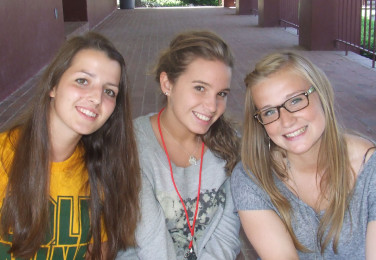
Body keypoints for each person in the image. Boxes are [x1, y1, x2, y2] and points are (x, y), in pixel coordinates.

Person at [0, 32, 141, 260]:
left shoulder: (104, 168)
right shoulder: (4, 154)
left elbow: (99, 253)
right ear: (53, 86)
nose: (96, 98)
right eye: (82, 81)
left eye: (109, 91)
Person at [231, 51, 376, 259]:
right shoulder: (253, 179)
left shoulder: (370, 171)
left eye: (296, 101)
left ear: (322, 94)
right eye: (269, 112)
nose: (286, 121)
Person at [117, 30, 241, 260]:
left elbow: (226, 238)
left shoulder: (229, 145)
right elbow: (151, 243)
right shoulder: (132, 145)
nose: (212, 106)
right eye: (200, 88)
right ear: (167, 83)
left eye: (221, 93)